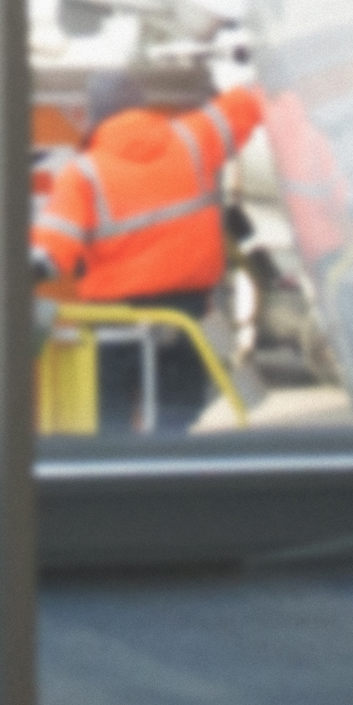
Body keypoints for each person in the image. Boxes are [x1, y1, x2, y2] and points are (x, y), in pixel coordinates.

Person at [33, 62, 265, 433]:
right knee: (176, 419)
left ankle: (121, 479)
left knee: (111, 428)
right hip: (188, 319)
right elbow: (247, 102)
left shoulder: (82, 174)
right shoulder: (193, 139)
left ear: (96, 117)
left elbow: (49, 251)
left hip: (113, 325)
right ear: (142, 105)